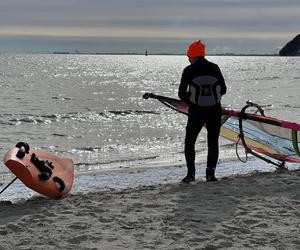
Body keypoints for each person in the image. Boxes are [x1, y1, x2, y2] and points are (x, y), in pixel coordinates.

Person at [178, 40, 227, 183]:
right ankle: (210, 174)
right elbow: (223, 89)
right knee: (213, 142)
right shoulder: (214, 67)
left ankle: (190, 175)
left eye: (189, 56)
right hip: (214, 110)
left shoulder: (189, 70)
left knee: (190, 142)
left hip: (197, 112)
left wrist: (193, 101)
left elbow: (181, 94)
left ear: (192, 56)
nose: (188, 59)